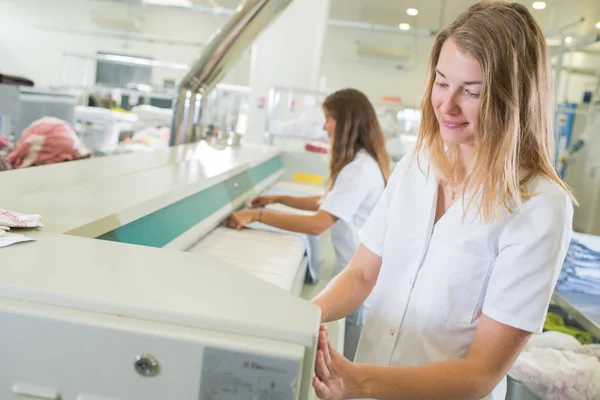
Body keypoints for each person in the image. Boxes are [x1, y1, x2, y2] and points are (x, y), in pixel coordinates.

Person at [310, 2, 575, 400]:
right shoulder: (416, 166)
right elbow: (363, 274)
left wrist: (359, 381)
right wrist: (304, 318)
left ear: (513, 101)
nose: (447, 106)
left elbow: (481, 372)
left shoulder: (538, 207)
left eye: (472, 92)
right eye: (441, 81)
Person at [227, 88, 391, 360]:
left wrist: (257, 216)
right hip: (357, 273)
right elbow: (329, 201)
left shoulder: (358, 170)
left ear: (346, 122)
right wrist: (280, 198)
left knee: (351, 359)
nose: (325, 126)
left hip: (361, 282)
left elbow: (318, 224)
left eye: (330, 118)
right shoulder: (362, 163)